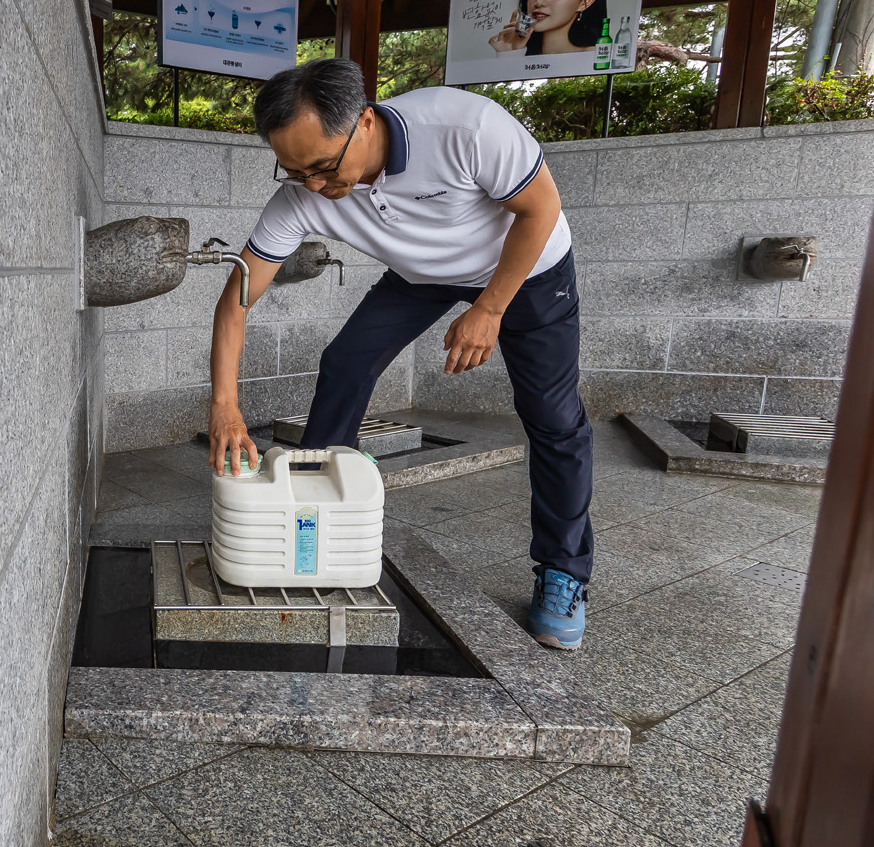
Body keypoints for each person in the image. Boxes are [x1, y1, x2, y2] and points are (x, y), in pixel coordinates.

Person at [205, 59, 594, 650]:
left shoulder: (464, 127)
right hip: (422, 275)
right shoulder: (302, 195)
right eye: (293, 169)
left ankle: (563, 573)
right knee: (345, 363)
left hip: (527, 266)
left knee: (553, 417)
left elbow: (539, 207)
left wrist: (488, 310)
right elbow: (236, 300)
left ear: (364, 121)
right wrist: (225, 403)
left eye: (323, 167)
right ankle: (320, 519)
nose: (312, 186)